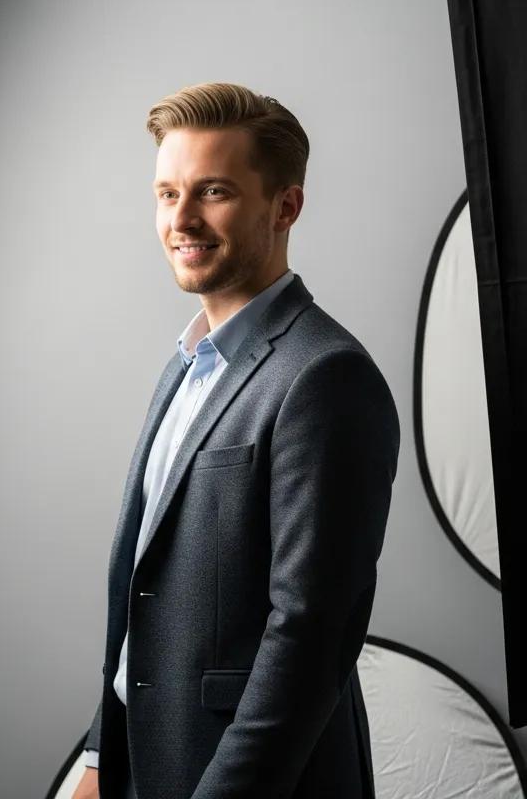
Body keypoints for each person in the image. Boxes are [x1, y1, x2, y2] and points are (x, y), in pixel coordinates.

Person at [71, 83, 399, 799]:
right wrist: (100, 756)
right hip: (145, 762)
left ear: (285, 207)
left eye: (212, 191)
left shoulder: (326, 375)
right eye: (167, 194)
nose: (181, 219)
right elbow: (145, 592)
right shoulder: (186, 366)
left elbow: (310, 636)